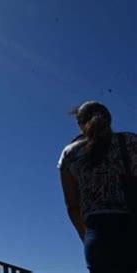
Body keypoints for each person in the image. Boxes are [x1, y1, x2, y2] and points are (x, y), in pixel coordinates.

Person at [58, 101, 137, 273]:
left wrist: (86, 236)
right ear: (109, 119)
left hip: (97, 234)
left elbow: (72, 206)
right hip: (131, 227)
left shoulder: (70, 154)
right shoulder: (131, 142)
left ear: (80, 124)